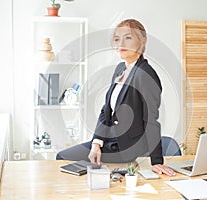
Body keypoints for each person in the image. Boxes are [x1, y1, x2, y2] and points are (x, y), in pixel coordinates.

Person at [56, 19, 175, 176]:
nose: (121, 44)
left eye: (128, 38)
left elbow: (151, 120)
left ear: (142, 40)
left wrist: (157, 161)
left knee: (64, 158)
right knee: (63, 158)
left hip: (125, 147)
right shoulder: (121, 69)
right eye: (117, 39)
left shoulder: (145, 74)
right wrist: (96, 143)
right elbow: (106, 110)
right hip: (108, 141)